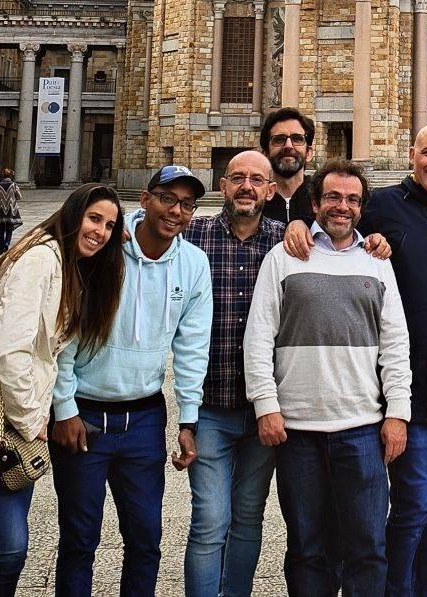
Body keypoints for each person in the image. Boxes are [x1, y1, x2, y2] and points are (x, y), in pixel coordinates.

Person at [283, 122, 427, 596]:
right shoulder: (383, 206)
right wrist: (297, 220)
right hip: (403, 381)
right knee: (413, 503)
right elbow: (333, 211)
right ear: (412, 154)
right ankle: (397, 588)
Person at [0, 183, 125, 596]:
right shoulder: (41, 259)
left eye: (110, 225)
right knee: (8, 548)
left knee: (1, 545)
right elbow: (11, 351)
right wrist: (34, 420)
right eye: (94, 218)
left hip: (10, 426)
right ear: (73, 212)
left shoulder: (69, 263)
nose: (100, 231)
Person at [246, 159, 413, 595]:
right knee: (306, 549)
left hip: (361, 429)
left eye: (353, 199)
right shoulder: (283, 256)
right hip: (297, 431)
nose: (343, 207)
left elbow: (395, 344)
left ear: (362, 208)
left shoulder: (377, 262)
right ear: (316, 203)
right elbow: (260, 337)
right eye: (334, 197)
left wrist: (398, 413)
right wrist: (266, 405)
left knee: (367, 548)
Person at [49, 165, 214, 597]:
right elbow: (64, 333)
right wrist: (63, 407)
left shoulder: (194, 264)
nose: (175, 211)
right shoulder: (106, 250)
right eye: (167, 198)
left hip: (142, 419)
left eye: (186, 204)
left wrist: (188, 421)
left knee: (145, 540)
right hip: (84, 416)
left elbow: (193, 349)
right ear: (144, 200)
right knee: (79, 540)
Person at [173, 151, 283, 597]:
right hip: (210, 408)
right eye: (238, 178)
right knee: (210, 520)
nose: (247, 187)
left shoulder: (285, 241)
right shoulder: (194, 235)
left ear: (270, 191)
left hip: (263, 411)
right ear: (223, 184)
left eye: (257, 180)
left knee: (248, 517)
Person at [261, 108, 316, 225]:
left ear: (308, 153)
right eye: (279, 139)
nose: (288, 146)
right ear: (265, 154)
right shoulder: (255, 200)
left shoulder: (323, 198)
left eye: (297, 139)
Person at [0, 169, 24, 255]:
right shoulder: (14, 185)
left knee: (1, 230)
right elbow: (19, 196)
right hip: (11, 210)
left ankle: (0, 249)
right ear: (11, 176)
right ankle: (7, 243)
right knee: (10, 228)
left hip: (0, 209)